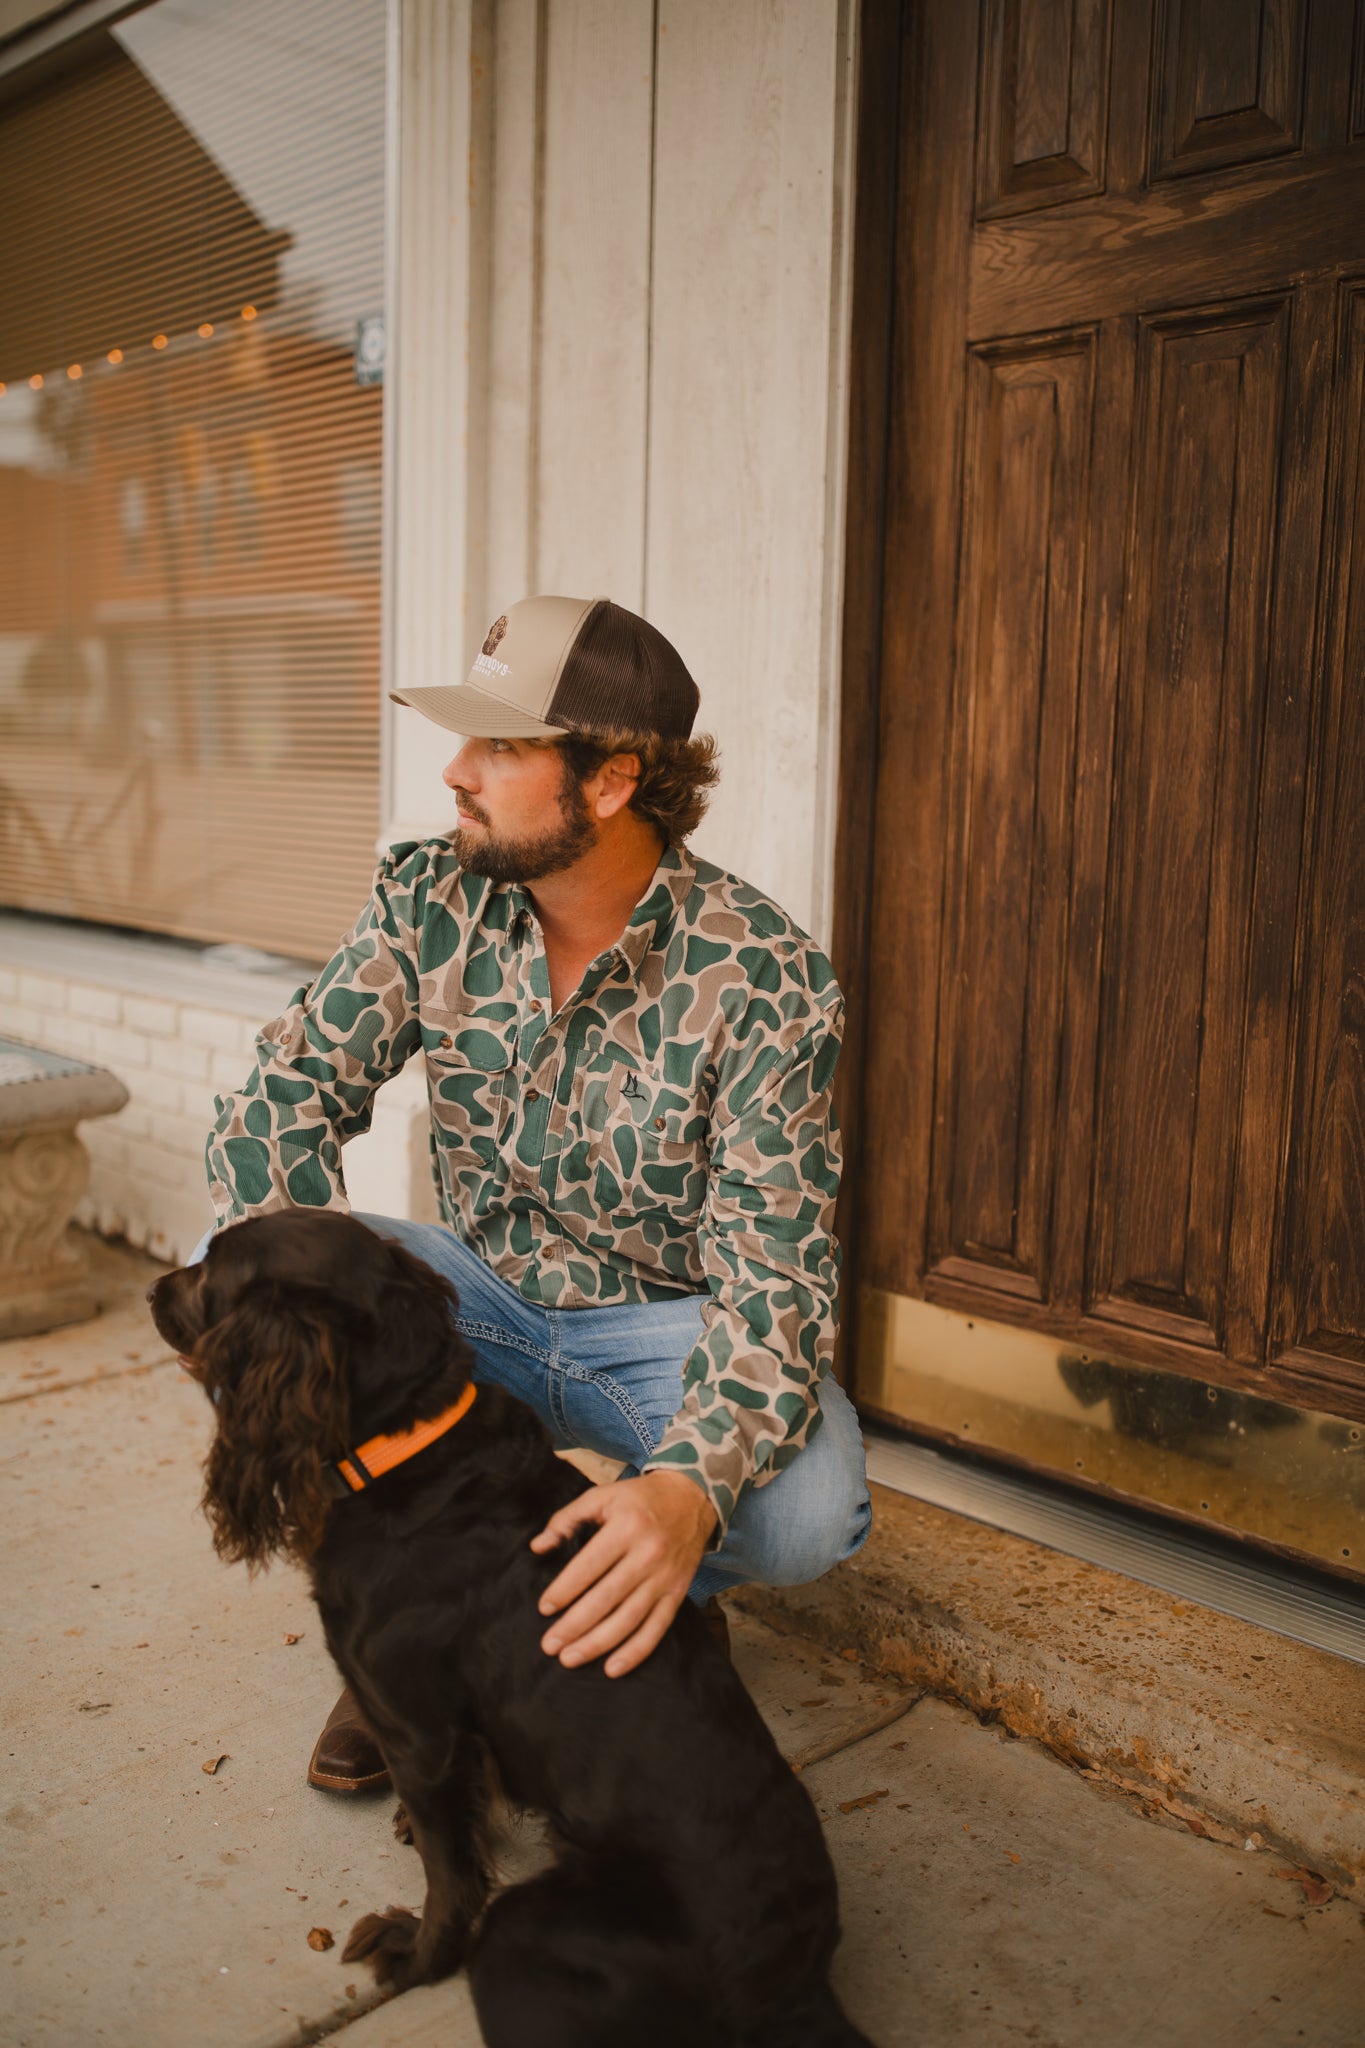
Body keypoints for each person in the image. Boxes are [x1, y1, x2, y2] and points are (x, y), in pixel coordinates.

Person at [204, 593, 872, 1794]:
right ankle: (405, 1645)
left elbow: (775, 1283)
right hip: (478, 1303)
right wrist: (306, 1286)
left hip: (656, 1330)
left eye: (502, 747)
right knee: (247, 1249)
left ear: (612, 780)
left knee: (809, 1508)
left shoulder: (767, 977)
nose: (457, 772)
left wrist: (681, 1492)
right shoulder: (433, 898)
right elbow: (285, 1092)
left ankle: (642, 1578)